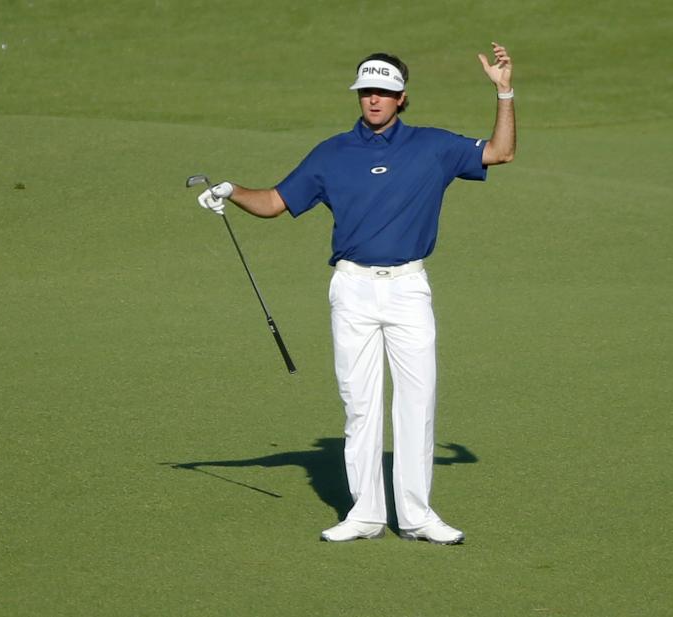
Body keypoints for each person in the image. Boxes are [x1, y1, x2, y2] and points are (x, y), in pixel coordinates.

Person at [195, 43, 515, 544]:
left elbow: (501, 151)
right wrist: (231, 191)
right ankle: (365, 513)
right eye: (367, 91)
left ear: (402, 98)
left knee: (417, 402)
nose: (374, 100)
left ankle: (415, 515)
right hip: (353, 289)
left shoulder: (434, 146)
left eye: (384, 92)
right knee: (360, 405)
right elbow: (276, 202)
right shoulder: (331, 154)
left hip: (409, 287)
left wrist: (503, 91)